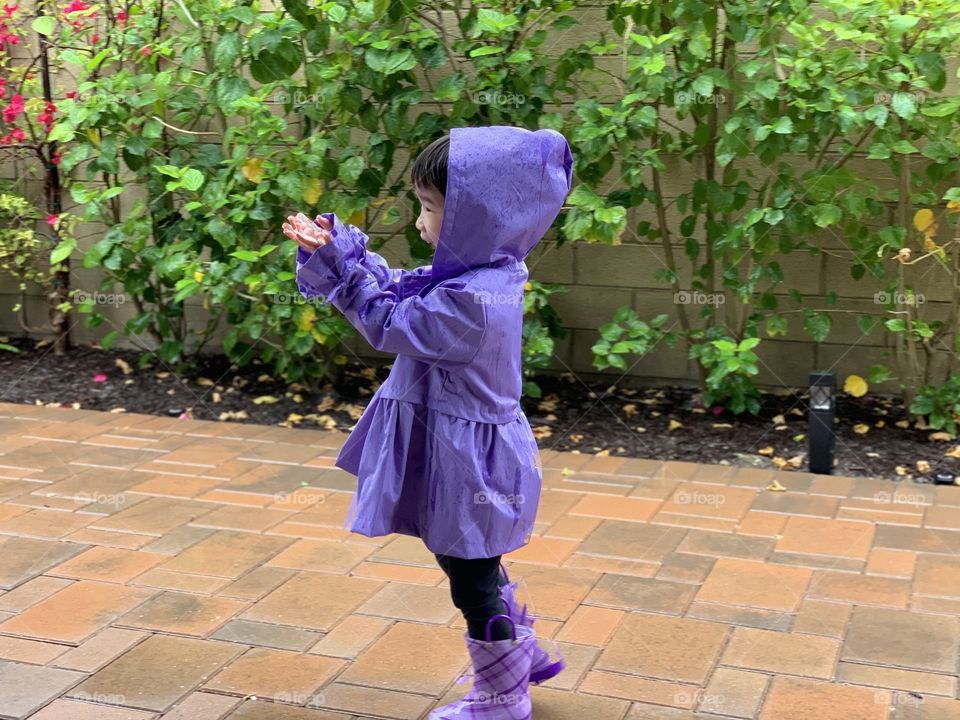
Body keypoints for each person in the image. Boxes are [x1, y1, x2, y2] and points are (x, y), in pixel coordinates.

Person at [284, 125, 573, 719]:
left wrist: (342, 271)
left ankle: (501, 695)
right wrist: (341, 255)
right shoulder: (481, 275)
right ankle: (522, 652)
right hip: (461, 450)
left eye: (430, 207)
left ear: (481, 216)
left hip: (469, 464)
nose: (420, 221)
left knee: (470, 574)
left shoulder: (472, 300)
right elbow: (399, 288)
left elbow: (391, 320)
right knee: (472, 563)